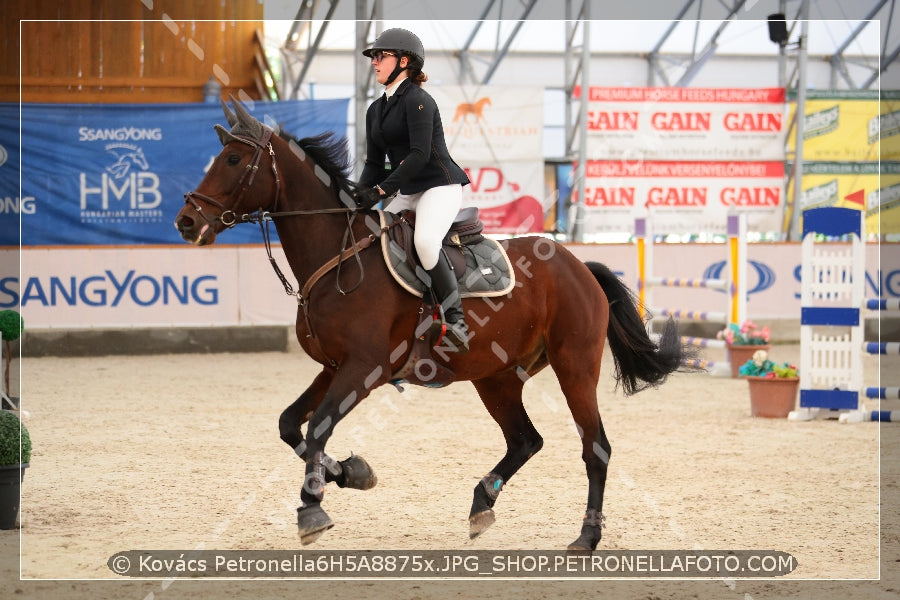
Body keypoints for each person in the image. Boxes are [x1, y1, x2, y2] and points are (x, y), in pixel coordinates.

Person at [356, 28, 472, 354]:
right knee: (370, 239)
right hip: (408, 190)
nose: (375, 62)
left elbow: (419, 155)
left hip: (439, 186)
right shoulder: (375, 110)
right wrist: (356, 194)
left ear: (403, 61)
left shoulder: (420, 101)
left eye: (381, 56)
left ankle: (456, 321)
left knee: (423, 241)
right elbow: (374, 163)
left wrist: (381, 191)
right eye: (374, 57)